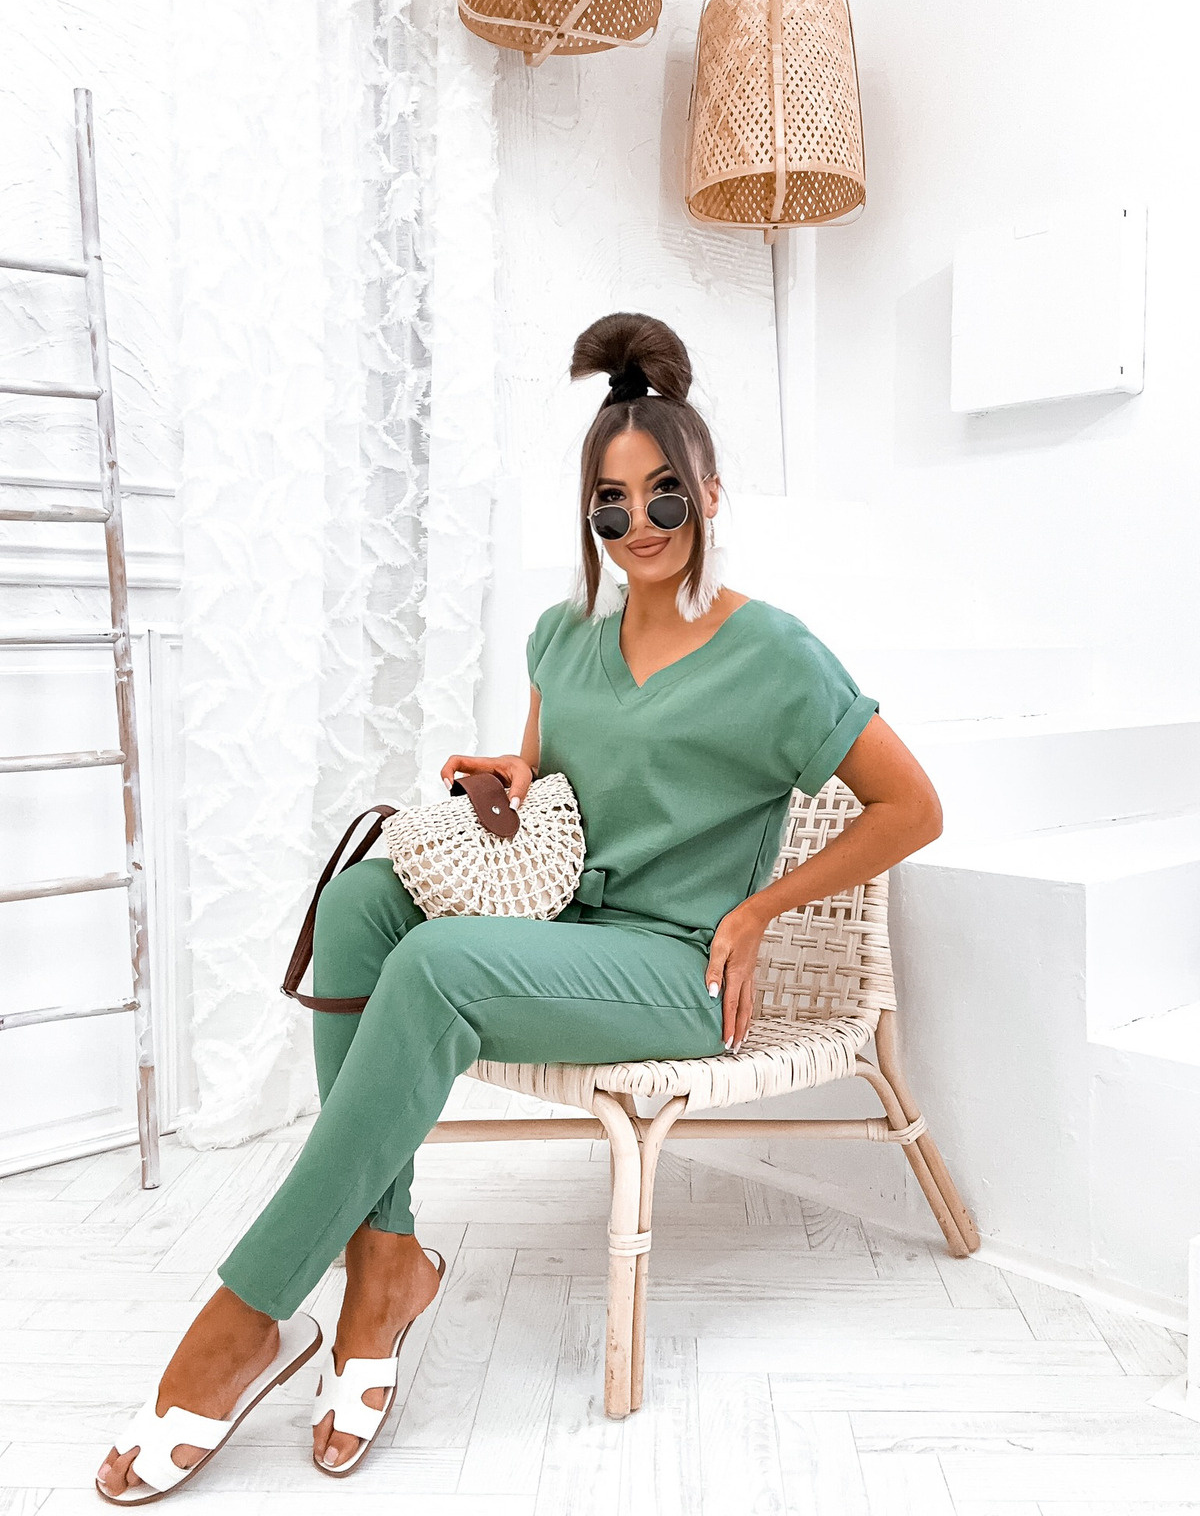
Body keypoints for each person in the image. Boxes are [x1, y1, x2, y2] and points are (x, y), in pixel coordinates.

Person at [96, 310, 942, 1500]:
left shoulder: (777, 656)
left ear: (709, 492)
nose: (639, 523)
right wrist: (512, 773)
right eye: (611, 502)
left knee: (437, 966)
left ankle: (247, 1312)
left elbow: (913, 808)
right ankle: (385, 1265)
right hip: (568, 936)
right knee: (361, 904)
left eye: (663, 493)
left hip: (681, 973)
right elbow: (554, 784)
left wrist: (762, 911)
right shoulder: (563, 639)